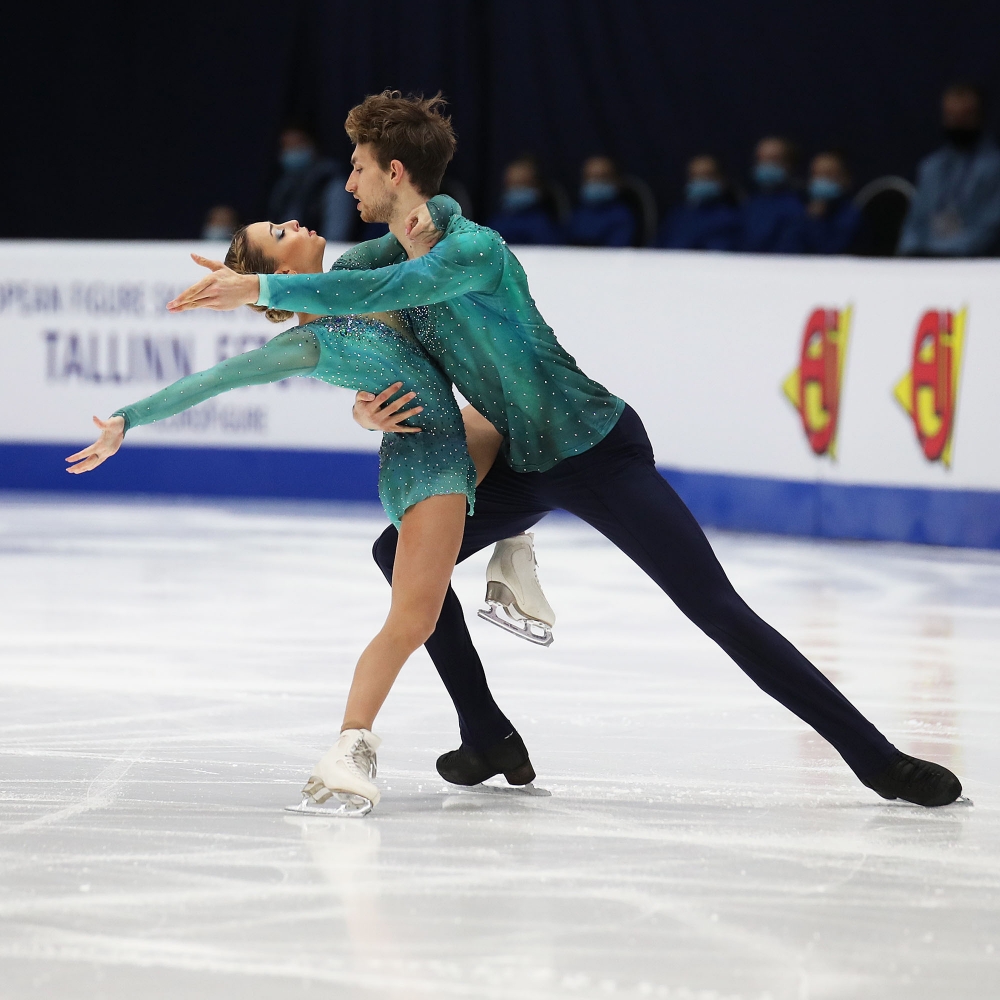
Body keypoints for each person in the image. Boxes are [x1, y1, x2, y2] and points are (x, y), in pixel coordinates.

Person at [167, 90, 963, 809]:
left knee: (714, 607)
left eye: (358, 169)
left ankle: (876, 758)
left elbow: (382, 296)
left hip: (595, 451)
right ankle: (487, 735)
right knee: (397, 554)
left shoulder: (470, 249)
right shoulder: (378, 253)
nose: (348, 186)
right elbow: (357, 324)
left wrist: (261, 288)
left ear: (395, 171)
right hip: (521, 462)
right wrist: (361, 407)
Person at [64, 209, 548, 815]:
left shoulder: (352, 276)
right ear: (284, 271)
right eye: (280, 233)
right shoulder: (308, 343)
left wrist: (432, 211)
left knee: (499, 416)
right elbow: (216, 380)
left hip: (449, 444)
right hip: (425, 468)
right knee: (412, 623)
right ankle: (349, 748)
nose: (294, 221)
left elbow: (417, 230)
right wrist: (127, 419)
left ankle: (513, 548)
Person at [897, 82, 1000, 257]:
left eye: (964, 117)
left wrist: (945, 252)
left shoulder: (994, 167)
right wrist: (911, 250)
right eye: (951, 117)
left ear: (979, 117)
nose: (957, 123)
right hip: (927, 260)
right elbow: (915, 222)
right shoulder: (930, 167)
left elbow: (990, 227)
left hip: (975, 263)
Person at [267, 127, 355, 242]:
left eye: (297, 145)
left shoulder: (332, 185)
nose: (292, 151)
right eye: (286, 146)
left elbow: (336, 238)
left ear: (313, 146)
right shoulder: (284, 186)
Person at [658, 154, 740, 251]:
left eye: (706, 176)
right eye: (695, 176)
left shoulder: (729, 219)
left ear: (721, 180)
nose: (700, 181)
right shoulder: (677, 215)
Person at [740, 136, 805, 253]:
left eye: (773, 159)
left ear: (788, 164)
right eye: (762, 159)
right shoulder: (748, 202)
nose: (766, 165)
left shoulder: (799, 205)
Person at [797, 150, 864, 254]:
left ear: (845, 179)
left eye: (828, 175)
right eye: (817, 174)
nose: (821, 180)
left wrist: (816, 220)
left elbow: (832, 252)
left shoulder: (851, 216)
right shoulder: (799, 209)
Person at [487, 156, 563, 245]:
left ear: (536, 186)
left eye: (521, 184)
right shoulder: (495, 222)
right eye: (511, 184)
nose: (516, 190)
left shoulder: (544, 225)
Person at [566, 156, 636, 247]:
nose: (595, 182)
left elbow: (616, 251)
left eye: (601, 178)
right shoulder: (577, 214)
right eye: (590, 177)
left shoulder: (621, 216)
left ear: (616, 181)